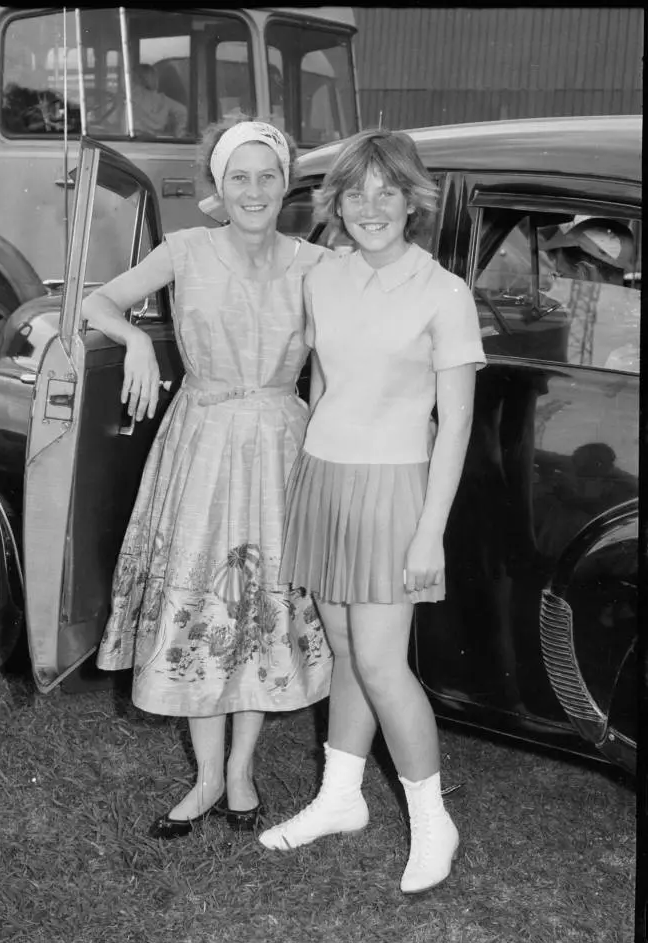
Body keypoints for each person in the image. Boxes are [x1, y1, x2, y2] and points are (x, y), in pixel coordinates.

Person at [81, 119, 333, 840]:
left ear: (285, 184)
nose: (253, 190)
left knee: (259, 604)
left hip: (282, 444)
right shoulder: (185, 249)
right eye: (238, 176)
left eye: (267, 175)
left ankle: (242, 772)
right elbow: (100, 301)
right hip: (201, 441)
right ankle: (205, 776)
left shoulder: (316, 264)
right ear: (217, 187)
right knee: (203, 597)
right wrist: (132, 339)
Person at [258, 129, 487, 894]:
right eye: (354, 193)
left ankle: (432, 823)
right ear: (336, 205)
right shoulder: (323, 278)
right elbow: (323, 385)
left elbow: (453, 424)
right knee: (346, 650)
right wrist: (301, 481)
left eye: (386, 191)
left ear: (412, 199)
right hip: (325, 479)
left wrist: (430, 531)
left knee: (385, 665)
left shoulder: (442, 292)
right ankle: (340, 798)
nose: (370, 207)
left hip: (395, 489)